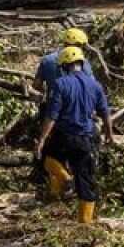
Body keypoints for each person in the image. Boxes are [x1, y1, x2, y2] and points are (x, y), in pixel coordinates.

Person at [35, 47, 114, 223]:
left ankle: (66, 179)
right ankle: (85, 224)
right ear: (81, 63)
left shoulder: (60, 84)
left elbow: (52, 115)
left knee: (47, 159)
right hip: (86, 137)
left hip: (64, 136)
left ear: (64, 65)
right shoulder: (95, 85)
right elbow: (105, 112)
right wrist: (109, 133)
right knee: (85, 180)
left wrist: (42, 139)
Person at [33, 27, 89, 195]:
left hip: (50, 111)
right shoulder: (83, 64)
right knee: (71, 152)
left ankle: (56, 191)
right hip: (73, 113)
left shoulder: (47, 60)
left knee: (51, 153)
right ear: (79, 45)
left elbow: (37, 86)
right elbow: (88, 86)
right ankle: (69, 184)